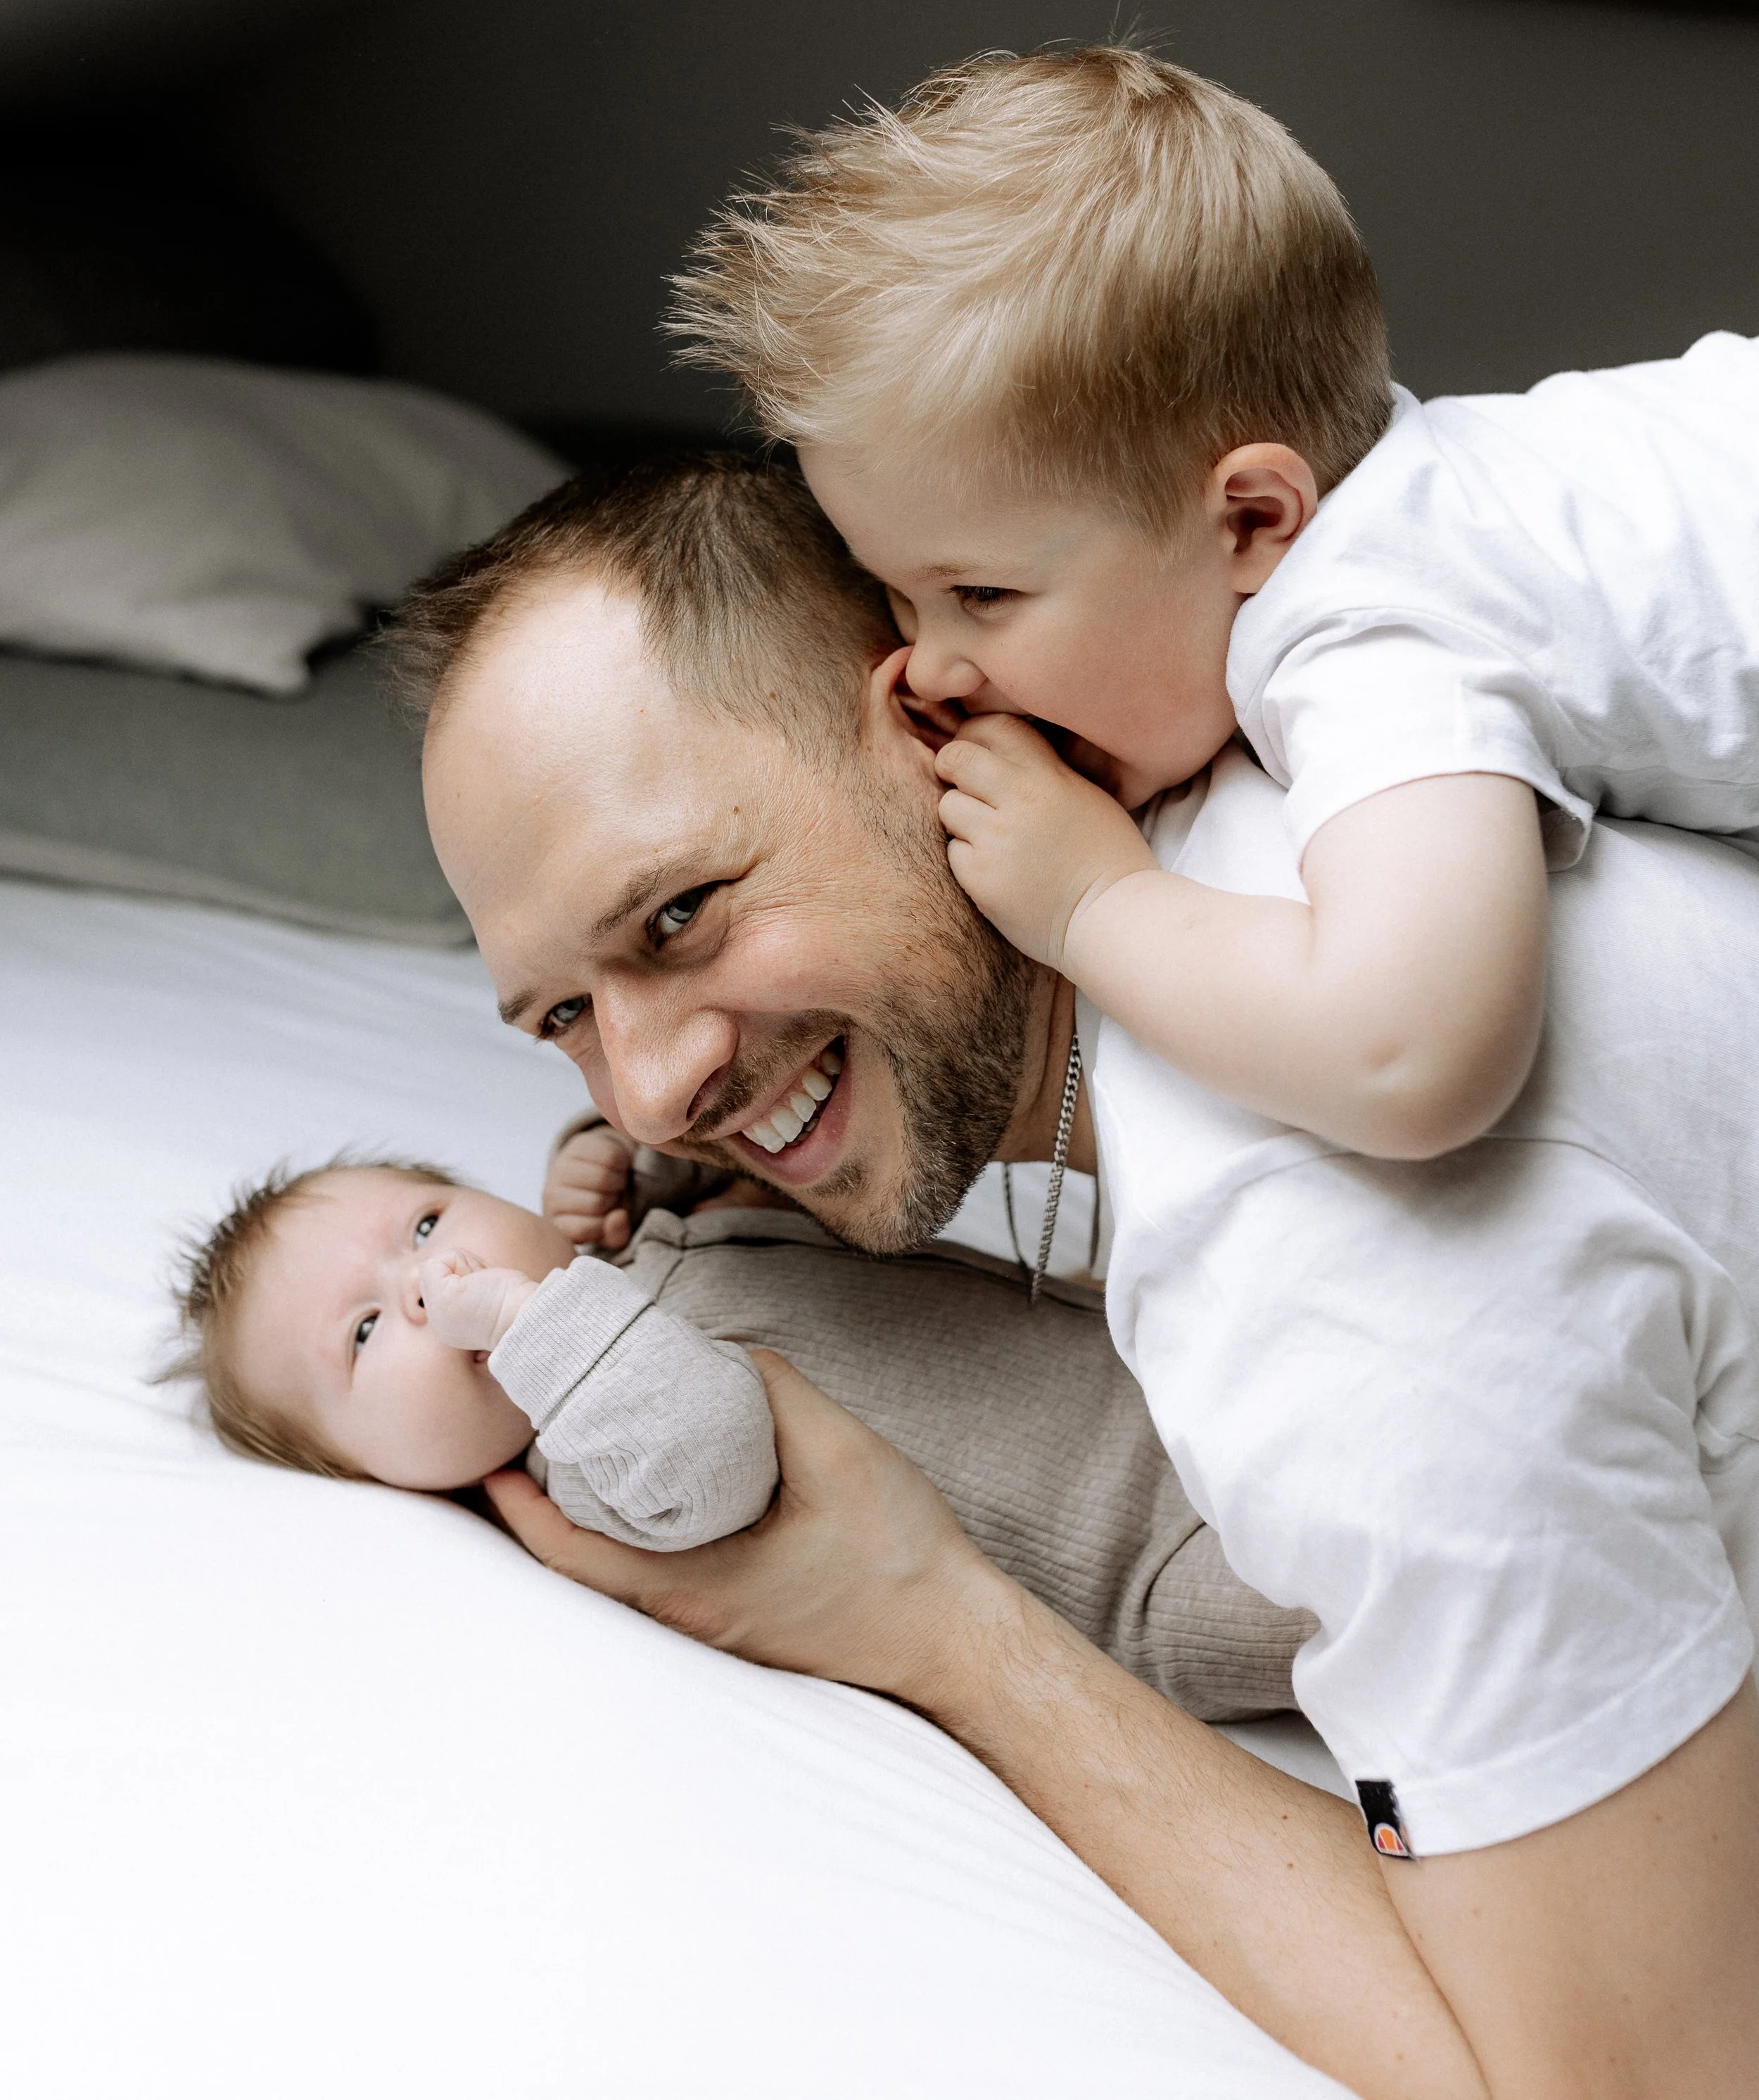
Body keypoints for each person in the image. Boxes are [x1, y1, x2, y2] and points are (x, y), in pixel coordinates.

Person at [388, 448, 1759, 2099]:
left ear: (935, 727)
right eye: (563, 1017)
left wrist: (936, 1625)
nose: (647, 1089)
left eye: (678, 917)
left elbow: (1623, 2076)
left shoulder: (1324, 1262)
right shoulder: (1321, 802)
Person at [668, 44, 1759, 1166]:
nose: (934, 664)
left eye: (981, 592)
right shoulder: (1439, 502)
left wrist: (1093, 901)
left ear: (1248, 519)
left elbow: (1411, 1061)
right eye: (895, 594)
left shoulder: (1381, 627)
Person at [170, 1133, 1312, 1720]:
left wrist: (621, 1162)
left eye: (424, 1222)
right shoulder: (585, 1462)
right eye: (367, 1333)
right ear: (372, 1476)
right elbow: (711, 1447)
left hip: (1170, 1375)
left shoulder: (627, 1265)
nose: (431, 1281)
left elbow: (734, 1178)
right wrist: (525, 1317)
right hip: (1155, 1568)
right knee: (1422, 1588)